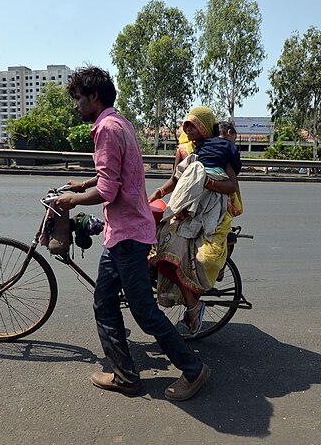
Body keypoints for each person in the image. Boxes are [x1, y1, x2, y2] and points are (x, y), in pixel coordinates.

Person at [54, 66, 210, 401]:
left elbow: (109, 191)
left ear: (94, 96)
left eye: (79, 99)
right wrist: (84, 183)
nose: (77, 106)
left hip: (128, 236)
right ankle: (126, 376)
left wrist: (73, 200)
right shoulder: (120, 122)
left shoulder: (106, 129)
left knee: (144, 312)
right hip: (122, 233)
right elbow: (117, 173)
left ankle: (194, 370)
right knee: (104, 302)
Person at [147, 107, 243, 334]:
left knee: (191, 257)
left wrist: (206, 183)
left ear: (204, 126)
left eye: (193, 125)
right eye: (186, 125)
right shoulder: (188, 149)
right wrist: (158, 193)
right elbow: (175, 179)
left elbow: (230, 185)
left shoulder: (219, 150)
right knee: (160, 251)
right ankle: (192, 304)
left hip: (207, 214)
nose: (187, 129)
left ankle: (192, 305)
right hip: (185, 211)